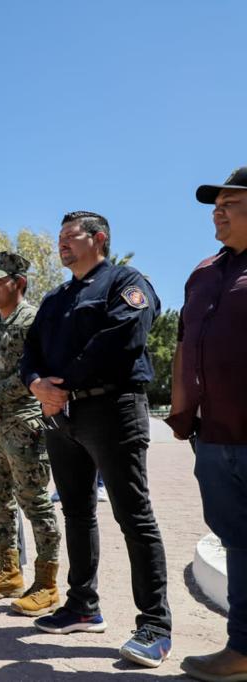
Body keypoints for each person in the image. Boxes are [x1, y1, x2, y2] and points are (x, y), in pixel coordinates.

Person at [23, 211, 171, 668]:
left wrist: (63, 381)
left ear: (98, 238)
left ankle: (155, 625)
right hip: (62, 414)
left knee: (133, 515)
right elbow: (31, 350)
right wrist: (36, 385)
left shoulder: (125, 281)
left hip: (113, 408)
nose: (62, 244)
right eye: (60, 238)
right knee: (77, 511)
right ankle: (82, 605)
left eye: (71, 237)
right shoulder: (55, 297)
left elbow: (124, 335)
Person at [169, 169, 247, 682]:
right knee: (237, 542)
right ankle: (241, 649)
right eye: (214, 204)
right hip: (215, 437)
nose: (217, 211)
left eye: (230, 203)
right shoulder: (202, 273)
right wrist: (181, 412)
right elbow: (182, 345)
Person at [0, 252, 61, 618]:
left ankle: (47, 584)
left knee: (35, 502)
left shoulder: (34, 321)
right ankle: (8, 572)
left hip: (24, 424)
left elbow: (32, 373)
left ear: (18, 283)